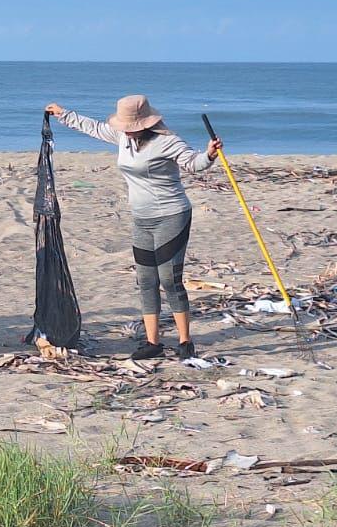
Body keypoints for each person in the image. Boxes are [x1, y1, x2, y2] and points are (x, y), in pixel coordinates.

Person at [46, 95, 221, 361]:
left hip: (171, 215)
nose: (126, 129)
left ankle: (185, 341)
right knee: (146, 280)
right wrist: (63, 113)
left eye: (131, 125)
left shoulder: (167, 141)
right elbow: (91, 127)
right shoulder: (122, 137)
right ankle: (153, 343)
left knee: (169, 279)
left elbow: (193, 163)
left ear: (146, 123)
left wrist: (209, 154)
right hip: (141, 218)